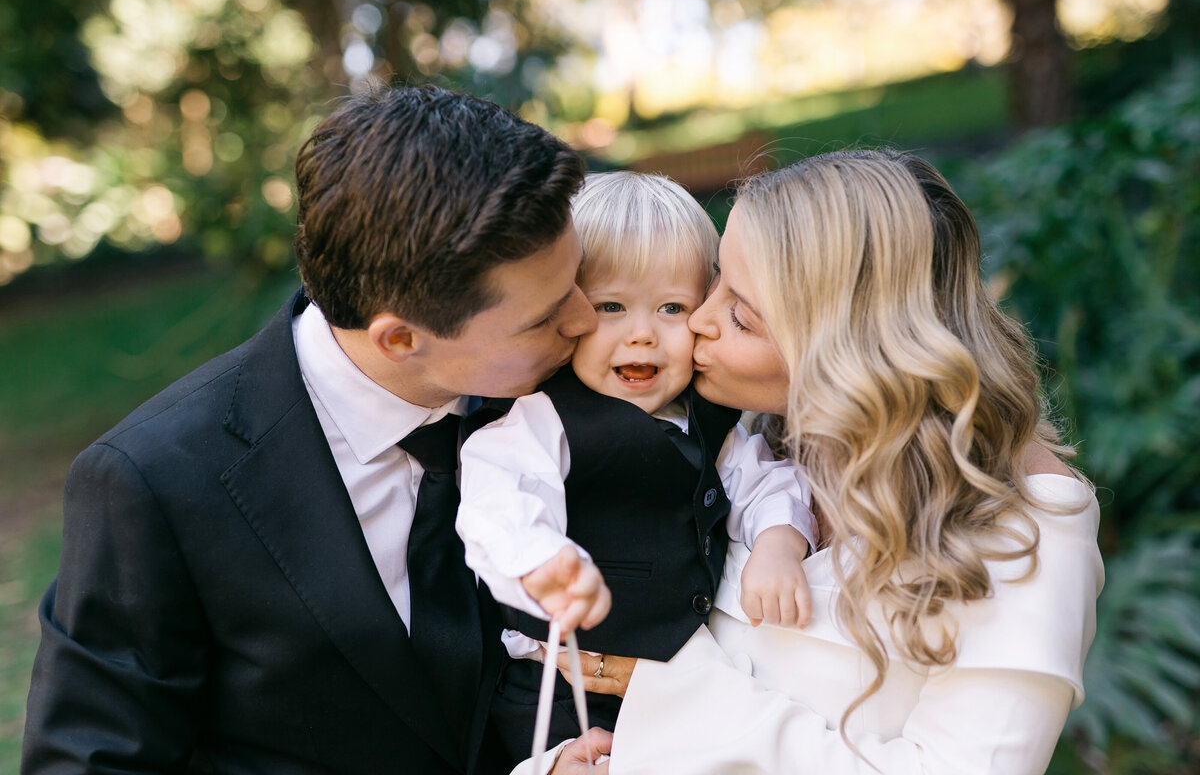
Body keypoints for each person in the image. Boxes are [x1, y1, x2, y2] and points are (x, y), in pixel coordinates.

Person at [21, 84, 612, 775]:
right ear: (399, 340)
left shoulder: (576, 394)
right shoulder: (153, 482)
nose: (585, 321)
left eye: (578, 279)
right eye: (542, 318)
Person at [558, 149, 1105, 774]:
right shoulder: (745, 441)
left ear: (846, 349)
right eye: (713, 283)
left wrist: (670, 686)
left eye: (739, 315)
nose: (697, 323)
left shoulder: (1025, 526)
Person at [455, 171, 817, 759]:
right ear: (567, 314)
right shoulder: (542, 420)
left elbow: (766, 481)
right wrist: (541, 563)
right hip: (564, 691)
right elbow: (499, 503)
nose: (643, 335)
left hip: (681, 682)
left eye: (672, 307)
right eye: (612, 307)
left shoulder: (708, 418)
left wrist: (779, 544)